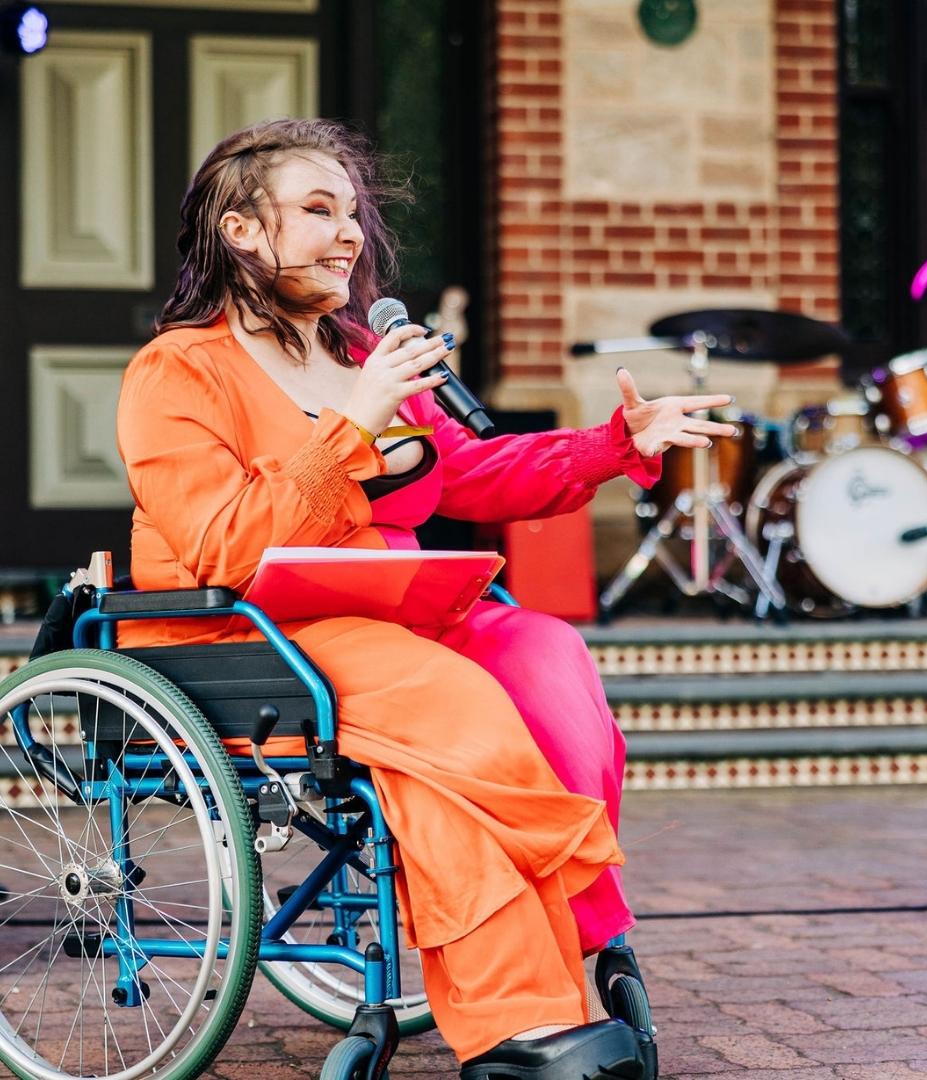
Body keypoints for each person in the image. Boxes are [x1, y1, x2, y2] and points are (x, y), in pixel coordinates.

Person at [115, 118, 734, 1079]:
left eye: (353, 212)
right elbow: (221, 546)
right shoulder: (178, 369)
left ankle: (571, 949)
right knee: (455, 726)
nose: (350, 232)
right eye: (317, 209)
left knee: (550, 666)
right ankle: (525, 1021)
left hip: (399, 608)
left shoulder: (364, 348)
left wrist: (616, 445)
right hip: (258, 630)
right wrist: (356, 420)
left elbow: (472, 475)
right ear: (240, 230)